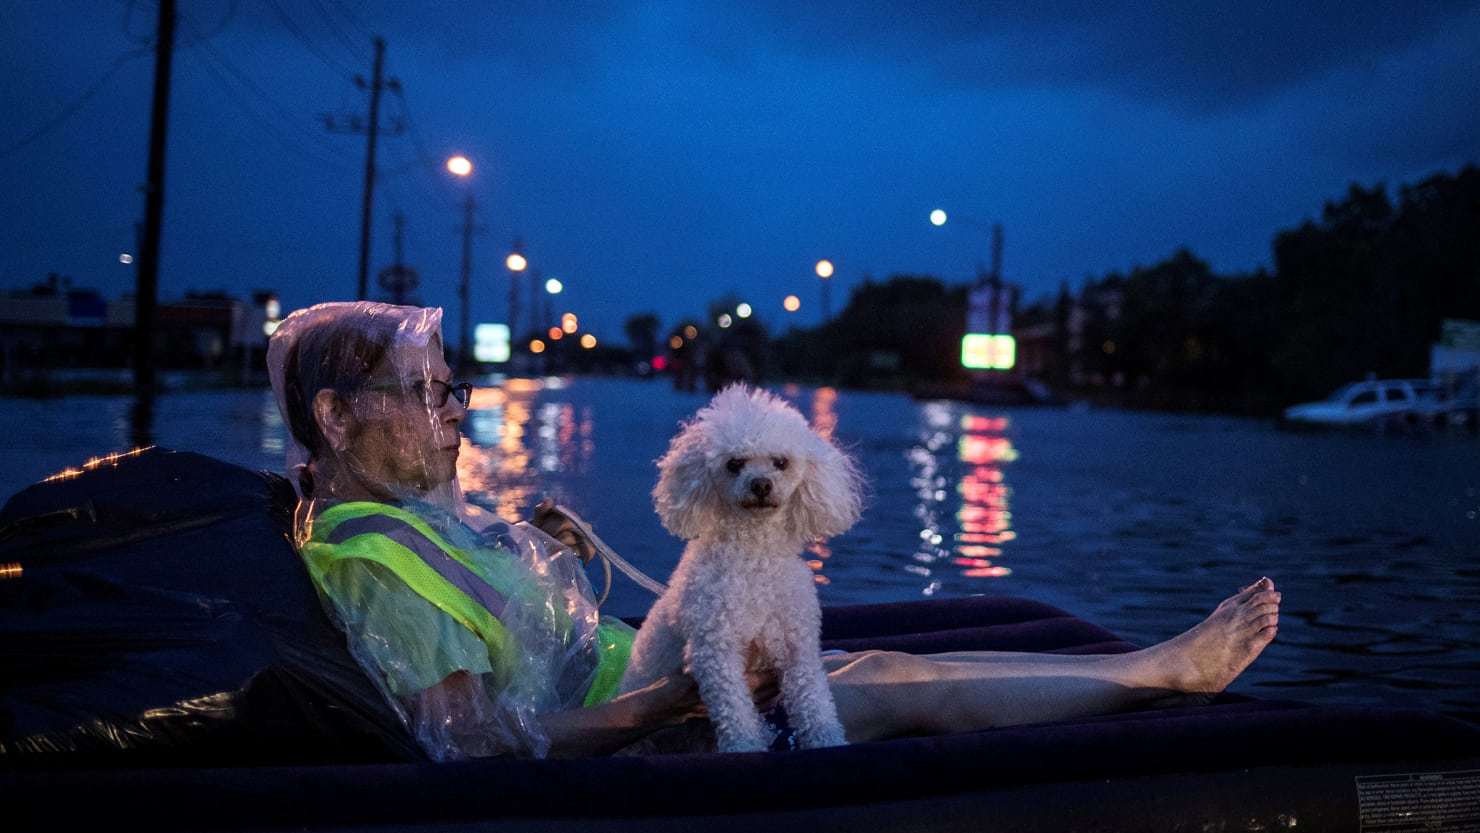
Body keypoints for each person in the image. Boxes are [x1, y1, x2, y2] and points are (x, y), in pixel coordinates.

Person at [267, 302, 1282, 760]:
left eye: (453, 390)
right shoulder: (370, 558)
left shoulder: (403, 522)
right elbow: (474, 743)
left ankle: (1144, 672)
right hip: (638, 736)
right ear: (338, 417)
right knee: (876, 673)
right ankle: (1163, 674)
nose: (455, 413)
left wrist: (561, 557)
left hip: (632, 683)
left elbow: (511, 649)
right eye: (427, 393)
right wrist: (663, 702)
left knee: (888, 644)